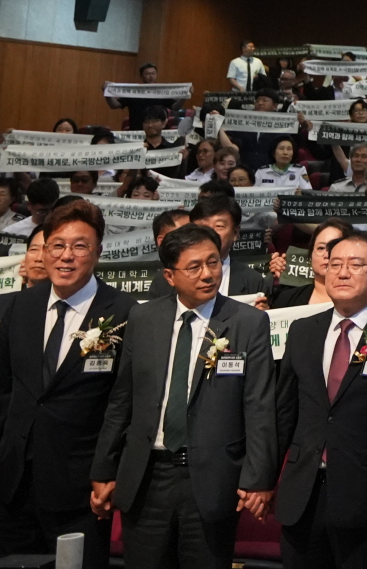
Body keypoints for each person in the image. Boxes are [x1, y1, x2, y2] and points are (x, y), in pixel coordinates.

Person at [90, 222, 279, 569]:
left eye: (213, 262)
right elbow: (122, 401)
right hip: (147, 475)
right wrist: (104, 468)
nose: (208, 274)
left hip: (212, 478)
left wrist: (259, 478)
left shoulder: (248, 322)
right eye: (194, 267)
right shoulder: (143, 317)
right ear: (169, 275)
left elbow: (260, 406)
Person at [0, 199, 131, 568]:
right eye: (57, 245)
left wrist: (108, 471)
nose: (66, 256)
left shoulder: (124, 311)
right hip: (15, 484)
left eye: (79, 246)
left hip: (81, 488)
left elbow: (125, 404)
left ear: (98, 252)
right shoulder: (21, 306)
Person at [274, 229, 367, 569]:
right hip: (302, 494)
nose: (343, 273)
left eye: (356, 265)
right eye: (335, 264)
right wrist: (262, 481)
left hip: (366, 494)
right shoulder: (303, 331)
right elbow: (284, 412)